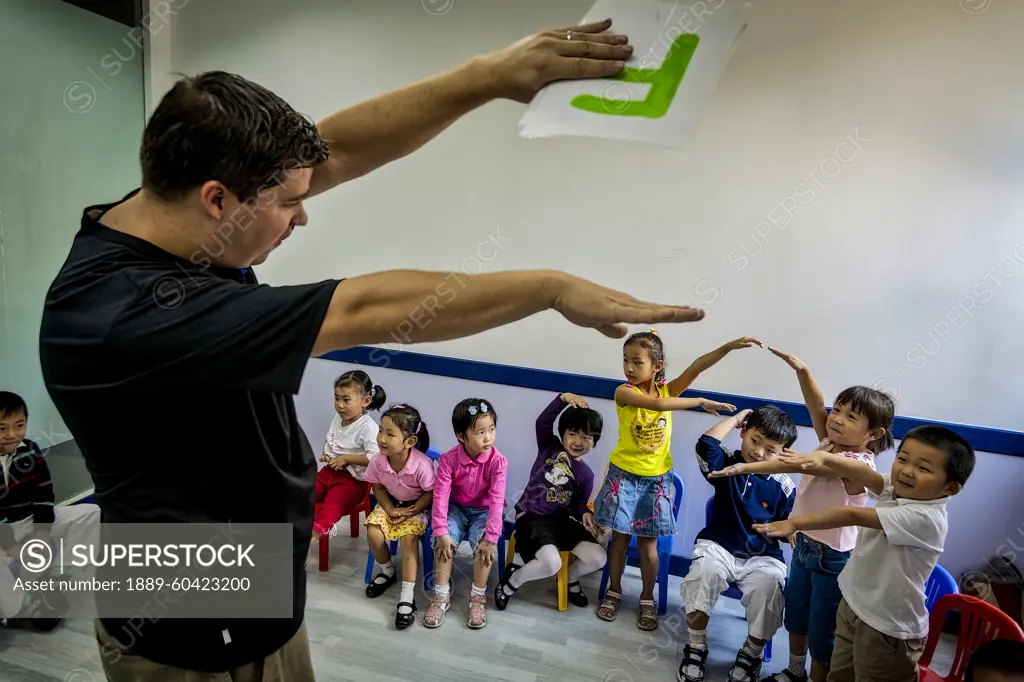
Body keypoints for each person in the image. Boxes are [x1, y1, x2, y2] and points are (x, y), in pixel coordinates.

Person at [38, 18, 706, 678]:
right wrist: (552, 289)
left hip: (252, 582)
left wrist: (488, 78)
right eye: (291, 203)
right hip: (182, 615)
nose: (304, 214)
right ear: (218, 200)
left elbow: (334, 150)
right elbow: (363, 306)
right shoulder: (125, 314)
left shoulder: (169, 211)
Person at [752, 424, 976, 682]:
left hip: (887, 626)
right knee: (839, 675)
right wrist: (823, 456)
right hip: (853, 605)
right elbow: (865, 474)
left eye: (923, 467)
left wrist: (795, 522)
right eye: (903, 459)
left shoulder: (926, 517)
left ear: (950, 488)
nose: (907, 471)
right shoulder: (899, 488)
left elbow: (852, 514)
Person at [742, 347, 895, 682]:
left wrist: (792, 461)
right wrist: (801, 369)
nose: (837, 418)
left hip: (834, 557)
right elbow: (815, 404)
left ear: (874, 434)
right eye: (838, 410)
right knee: (797, 615)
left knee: (822, 627)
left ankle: (816, 677)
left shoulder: (860, 464)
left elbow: (823, 468)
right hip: (805, 546)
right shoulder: (828, 443)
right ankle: (795, 670)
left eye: (851, 417)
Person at [593, 331, 756, 631]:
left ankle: (646, 598)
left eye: (637, 362)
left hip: (656, 480)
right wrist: (700, 401)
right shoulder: (623, 392)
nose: (629, 367)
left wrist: (729, 346)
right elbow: (657, 407)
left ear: (656, 366)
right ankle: (614, 591)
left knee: (649, 547)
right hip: (624, 475)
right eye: (626, 360)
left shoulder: (668, 390)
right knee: (619, 541)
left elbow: (697, 366)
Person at [679, 405, 799, 682]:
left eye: (770, 450)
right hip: (718, 545)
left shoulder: (784, 485)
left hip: (763, 556)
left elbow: (787, 524)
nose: (758, 452)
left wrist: (790, 529)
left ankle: (751, 654)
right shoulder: (727, 464)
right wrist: (734, 419)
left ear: (782, 453)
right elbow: (705, 445)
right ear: (743, 432)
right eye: (755, 441)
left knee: (770, 587)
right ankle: (696, 646)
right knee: (702, 575)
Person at [494, 392, 607, 611]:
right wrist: (563, 398)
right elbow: (543, 421)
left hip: (561, 523)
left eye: (586, 437)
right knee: (551, 563)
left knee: (598, 558)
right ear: (562, 434)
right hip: (532, 518)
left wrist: (586, 514)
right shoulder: (550, 447)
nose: (578, 442)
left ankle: (570, 579)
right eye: (573, 434)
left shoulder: (587, 474)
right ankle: (510, 583)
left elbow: (580, 504)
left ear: (595, 441)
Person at [0, 391, 99, 630]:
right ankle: (19, 608)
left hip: (29, 518)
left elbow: (44, 496)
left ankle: (67, 577)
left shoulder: (30, 450)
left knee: (91, 513)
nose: (12, 434)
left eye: (19, 425)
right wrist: (12, 546)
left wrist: (42, 533)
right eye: (2, 428)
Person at [425, 398, 506, 630]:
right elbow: (440, 497)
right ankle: (441, 595)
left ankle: (478, 596)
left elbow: (498, 501)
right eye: (480, 432)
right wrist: (440, 531)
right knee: (444, 541)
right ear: (461, 436)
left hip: (484, 511)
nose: (488, 437)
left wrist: (491, 538)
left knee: (484, 544)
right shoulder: (448, 460)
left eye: (491, 429)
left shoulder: (498, 461)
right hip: (456, 509)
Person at [362, 403, 434, 630]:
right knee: (373, 533)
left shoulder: (422, 465)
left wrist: (412, 510)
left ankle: (407, 595)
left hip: (416, 507)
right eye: (381, 431)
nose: (381, 438)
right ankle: (388, 571)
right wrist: (390, 509)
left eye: (389, 434)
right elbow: (378, 487)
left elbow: (431, 493)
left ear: (409, 442)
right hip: (389, 505)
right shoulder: (377, 461)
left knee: (408, 540)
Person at [313, 370, 386, 544]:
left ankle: (302, 546)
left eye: (346, 400)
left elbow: (376, 457)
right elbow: (332, 439)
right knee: (298, 495)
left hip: (352, 482)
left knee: (330, 509)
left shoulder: (368, 428)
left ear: (365, 401)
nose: (340, 405)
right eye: (336, 398)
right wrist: (326, 453)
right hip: (328, 473)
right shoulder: (338, 418)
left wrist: (347, 459)